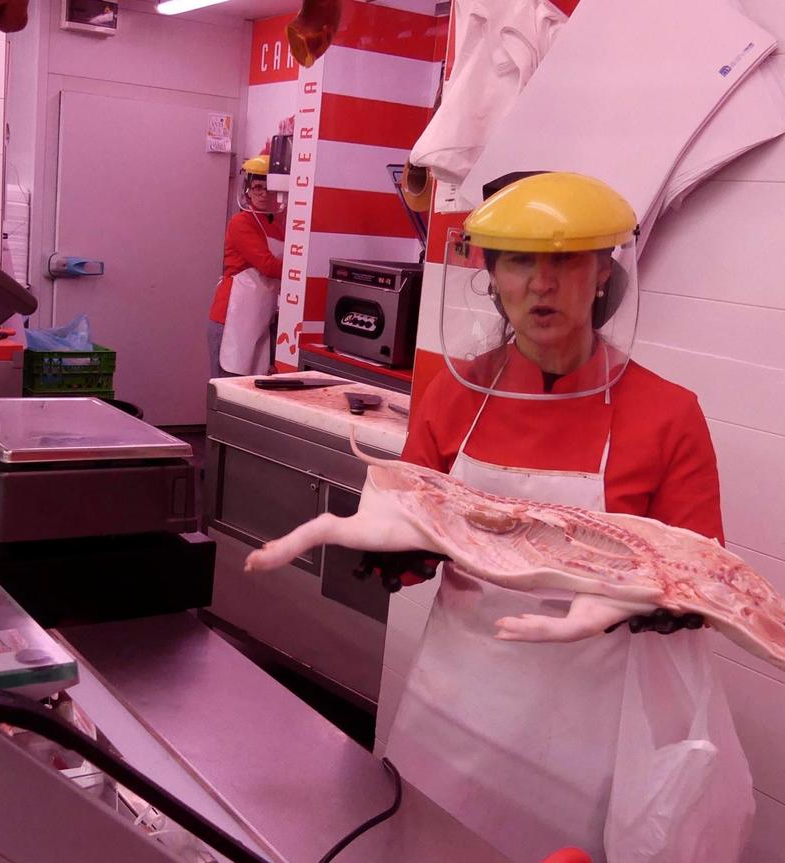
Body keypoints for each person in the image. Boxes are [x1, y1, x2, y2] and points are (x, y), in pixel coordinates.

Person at [375, 172, 753, 862]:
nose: (542, 284)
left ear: (603, 270)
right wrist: (395, 548)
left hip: (583, 730)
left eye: (565, 259)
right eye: (520, 260)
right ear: (491, 275)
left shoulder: (668, 414)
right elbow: (411, 519)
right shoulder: (453, 396)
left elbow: (703, 568)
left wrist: (672, 599)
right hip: (454, 703)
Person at [207, 155, 286, 379]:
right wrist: (298, 274)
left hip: (259, 318)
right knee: (227, 387)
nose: (263, 193)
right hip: (230, 318)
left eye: (269, 187)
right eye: (258, 187)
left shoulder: (277, 226)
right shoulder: (242, 223)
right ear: (248, 190)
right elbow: (268, 266)